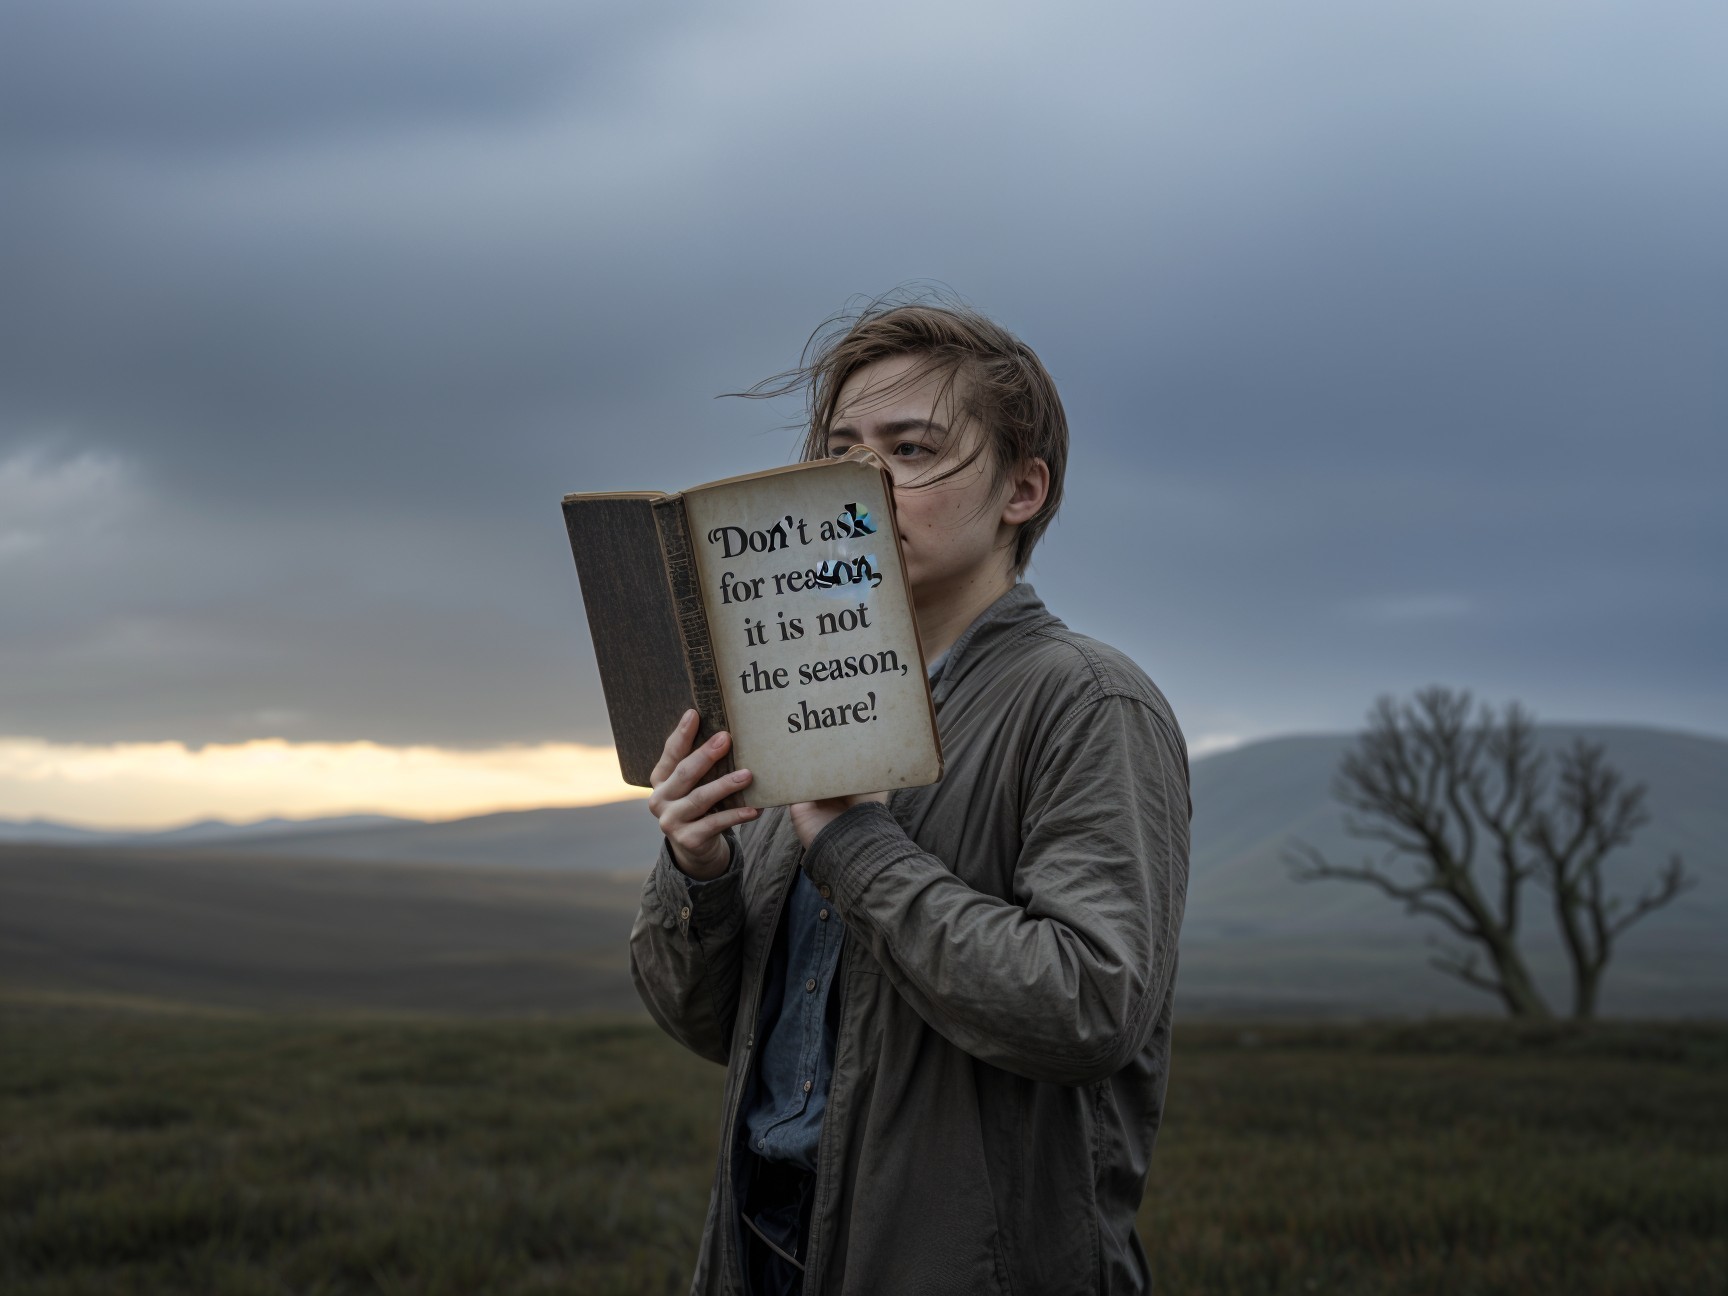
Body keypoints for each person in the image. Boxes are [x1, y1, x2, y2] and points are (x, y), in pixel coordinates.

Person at [631, 298, 1190, 1295]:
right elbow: (720, 1031)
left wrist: (857, 846)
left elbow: (1089, 1007)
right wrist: (699, 872)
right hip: (763, 1243)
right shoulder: (798, 689)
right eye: (842, 448)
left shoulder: (1087, 700)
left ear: (1023, 490)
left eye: (912, 449)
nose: (862, 481)